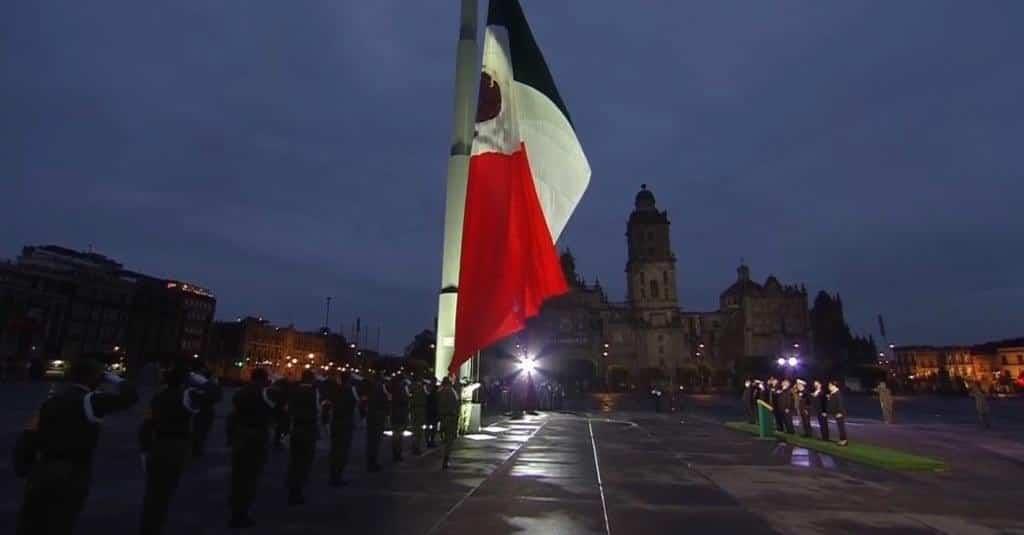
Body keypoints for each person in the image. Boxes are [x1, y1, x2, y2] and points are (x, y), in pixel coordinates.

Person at [14, 358, 139, 535]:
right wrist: (113, 378)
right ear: (93, 377)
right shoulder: (91, 401)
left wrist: (24, 464)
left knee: (31, 521)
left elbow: (30, 434)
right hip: (73, 471)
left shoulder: (52, 400)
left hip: (43, 467)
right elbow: (131, 396)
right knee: (60, 521)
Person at [138, 364, 221, 535]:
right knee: (165, 491)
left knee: (153, 491)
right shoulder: (187, 395)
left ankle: (147, 526)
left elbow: (146, 424)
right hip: (175, 445)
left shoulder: (158, 396)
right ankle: (153, 527)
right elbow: (215, 394)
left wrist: (145, 449)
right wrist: (203, 380)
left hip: (157, 444)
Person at [227, 368, 284, 528]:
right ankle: (242, 513)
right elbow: (278, 407)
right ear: (263, 379)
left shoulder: (240, 392)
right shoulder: (264, 393)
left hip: (240, 435)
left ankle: (235, 510)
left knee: (237, 476)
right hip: (256, 437)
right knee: (250, 477)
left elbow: (233, 415)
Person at [285, 370, 321, 505]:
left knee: (294, 461)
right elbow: (318, 410)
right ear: (311, 380)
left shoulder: (294, 391)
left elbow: (288, 409)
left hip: (296, 428)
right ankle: (297, 491)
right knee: (304, 462)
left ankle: (291, 488)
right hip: (308, 429)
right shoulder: (313, 393)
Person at [323, 371, 360, 486]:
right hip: (345, 424)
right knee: (342, 452)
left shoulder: (335, 390)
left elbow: (327, 405)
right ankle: (337, 477)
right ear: (348, 380)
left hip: (335, 423)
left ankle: (333, 475)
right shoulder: (350, 391)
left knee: (335, 450)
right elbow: (355, 406)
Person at [190, 364, 221, 458]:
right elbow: (217, 397)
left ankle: (195, 449)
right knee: (201, 432)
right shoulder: (211, 385)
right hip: (205, 411)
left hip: (198, 410)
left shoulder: (195, 382)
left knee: (198, 431)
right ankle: (197, 450)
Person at [365, 374, 389, 472]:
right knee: (375, 441)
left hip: (372, 415)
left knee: (371, 441)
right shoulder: (380, 388)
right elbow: (384, 400)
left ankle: (371, 462)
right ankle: (372, 462)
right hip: (377, 415)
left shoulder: (372, 388)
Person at [438, 376, 460, 471]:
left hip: (443, 417)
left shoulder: (440, 392)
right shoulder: (451, 392)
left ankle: (444, 459)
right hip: (450, 418)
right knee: (449, 441)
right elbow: (455, 405)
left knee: (445, 439)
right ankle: (445, 460)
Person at [390, 375, 410, 462]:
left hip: (395, 414)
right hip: (400, 414)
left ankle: (396, 453)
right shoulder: (401, 389)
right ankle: (397, 454)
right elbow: (404, 400)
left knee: (396, 434)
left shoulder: (394, 388)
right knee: (398, 435)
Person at [409, 376, 428, 455]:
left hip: (413, 409)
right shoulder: (422, 387)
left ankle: (414, 446)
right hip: (420, 409)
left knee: (414, 429)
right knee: (418, 430)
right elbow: (427, 394)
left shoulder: (412, 387)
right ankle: (416, 447)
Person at [826, 380, 847, 446]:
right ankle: (841, 439)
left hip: (839, 413)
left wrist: (839, 412)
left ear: (834, 386)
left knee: (841, 427)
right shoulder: (833, 393)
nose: (829, 387)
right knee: (839, 427)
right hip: (836, 412)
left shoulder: (838, 393)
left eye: (830, 385)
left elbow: (840, 403)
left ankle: (844, 440)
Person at [425, 379, 439, 448]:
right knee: (433, 427)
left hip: (429, 410)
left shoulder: (427, 388)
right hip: (433, 410)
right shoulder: (436, 389)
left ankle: (428, 441)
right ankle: (431, 441)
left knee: (429, 427)